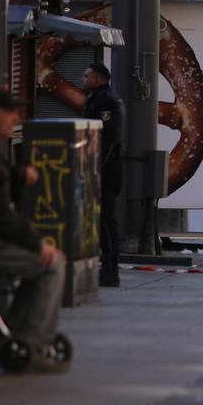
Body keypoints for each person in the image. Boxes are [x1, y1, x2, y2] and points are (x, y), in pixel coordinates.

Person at [0, 91, 69, 373]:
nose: (15, 119)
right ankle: (32, 341)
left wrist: (17, 175)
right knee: (51, 264)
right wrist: (35, 244)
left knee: (42, 265)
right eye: (9, 112)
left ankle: (12, 337)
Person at [81, 63, 124, 287]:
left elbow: (108, 138)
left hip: (106, 170)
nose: (83, 78)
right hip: (100, 168)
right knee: (100, 219)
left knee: (107, 219)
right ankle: (105, 267)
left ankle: (110, 270)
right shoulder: (96, 98)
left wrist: (96, 167)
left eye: (87, 75)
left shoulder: (106, 101)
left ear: (98, 78)